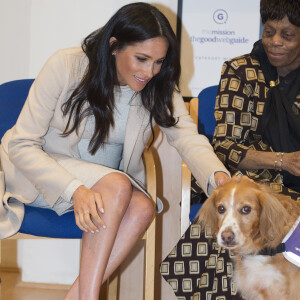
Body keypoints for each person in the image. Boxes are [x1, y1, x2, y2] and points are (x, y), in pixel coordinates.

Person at [0, 2, 230, 299]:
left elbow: (186, 136)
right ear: (114, 46)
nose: (150, 71)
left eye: (159, 61)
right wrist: (74, 190)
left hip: (106, 188)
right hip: (40, 175)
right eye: (142, 59)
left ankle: (78, 296)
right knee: (118, 184)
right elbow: (21, 143)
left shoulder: (156, 85)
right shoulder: (65, 65)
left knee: (143, 206)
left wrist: (220, 179)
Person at [161, 0, 300, 299]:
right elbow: (224, 147)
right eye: (269, 31)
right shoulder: (241, 71)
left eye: (287, 35)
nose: (275, 41)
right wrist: (282, 161)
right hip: (249, 186)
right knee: (229, 220)